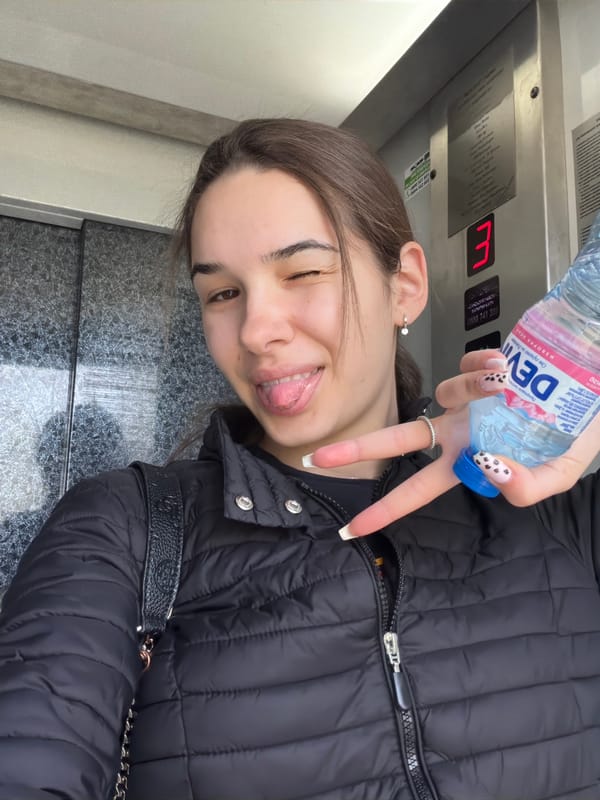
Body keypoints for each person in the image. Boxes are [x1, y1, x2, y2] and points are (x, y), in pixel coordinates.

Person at [0, 118, 598, 800]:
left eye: (304, 270)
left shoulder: (553, 515)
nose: (255, 330)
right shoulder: (124, 528)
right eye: (222, 293)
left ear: (403, 284)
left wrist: (580, 410)